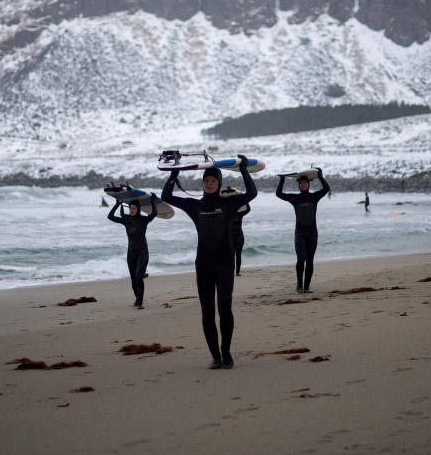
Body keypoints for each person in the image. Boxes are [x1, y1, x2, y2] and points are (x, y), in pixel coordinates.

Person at [162, 156, 256, 369]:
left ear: (219, 183)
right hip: (203, 264)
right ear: (202, 184)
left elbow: (252, 193)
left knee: (224, 308)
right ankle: (215, 356)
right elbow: (166, 196)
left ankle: (226, 353)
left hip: (224, 264)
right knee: (207, 311)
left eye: (213, 180)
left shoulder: (229, 203)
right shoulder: (195, 206)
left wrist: (243, 169)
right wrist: (175, 173)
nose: (209, 184)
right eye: (206, 181)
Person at [275, 169, 330, 294]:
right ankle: (299, 285)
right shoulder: (295, 198)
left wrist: (320, 176)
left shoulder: (314, 197)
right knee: (301, 259)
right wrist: (282, 179)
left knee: (310, 260)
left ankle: (307, 287)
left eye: (305, 182)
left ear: (309, 184)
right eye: (301, 183)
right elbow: (279, 194)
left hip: (312, 233)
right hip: (300, 233)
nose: (303, 184)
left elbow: (326, 188)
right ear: (299, 185)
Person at [107, 194, 158, 308]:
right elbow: (110, 216)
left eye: (134, 208)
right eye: (130, 208)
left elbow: (154, 214)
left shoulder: (143, 220)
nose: (132, 210)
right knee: (133, 279)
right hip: (131, 252)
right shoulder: (126, 220)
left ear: (138, 209)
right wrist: (117, 204)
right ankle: (137, 298)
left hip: (142, 251)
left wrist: (153, 201)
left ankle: (140, 302)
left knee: (139, 274)